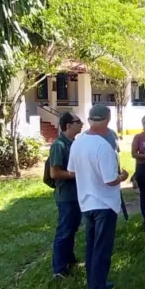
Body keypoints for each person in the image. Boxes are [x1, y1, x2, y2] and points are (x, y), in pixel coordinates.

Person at [68, 104, 129, 289]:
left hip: (86, 202)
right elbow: (110, 180)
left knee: (91, 249)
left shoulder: (78, 142)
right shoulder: (103, 146)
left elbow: (73, 171)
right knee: (102, 251)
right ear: (107, 119)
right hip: (104, 204)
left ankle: (96, 286)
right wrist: (123, 176)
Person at [48, 112, 83, 279]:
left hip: (77, 195)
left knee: (72, 229)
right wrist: (76, 174)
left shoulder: (74, 143)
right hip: (66, 196)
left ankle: (69, 261)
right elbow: (54, 173)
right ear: (68, 125)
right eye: (78, 122)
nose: (82, 124)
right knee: (64, 231)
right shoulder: (59, 145)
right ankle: (59, 270)